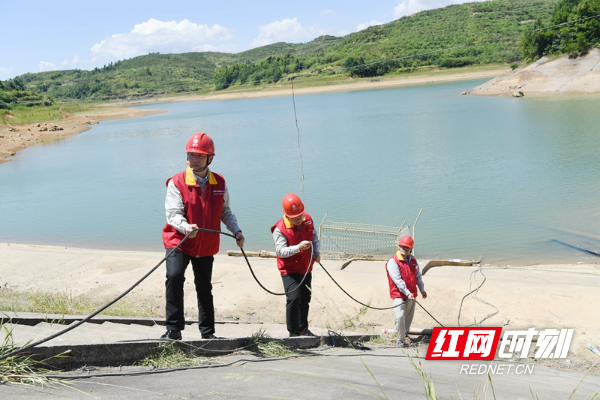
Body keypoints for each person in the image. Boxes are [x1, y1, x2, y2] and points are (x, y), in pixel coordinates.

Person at [161, 132, 245, 340]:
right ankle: (173, 330)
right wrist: (186, 227)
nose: (194, 159)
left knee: (204, 287)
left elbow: (225, 212)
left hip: (205, 244)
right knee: (174, 277)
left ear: (210, 158)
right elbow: (173, 215)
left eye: (199, 156)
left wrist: (237, 231)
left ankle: (208, 333)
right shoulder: (176, 182)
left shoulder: (220, 182)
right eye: (191, 155)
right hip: (179, 241)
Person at [271, 193, 320, 337]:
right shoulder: (279, 229)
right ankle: (293, 332)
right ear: (287, 216)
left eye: (300, 216)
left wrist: (316, 252)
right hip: (289, 270)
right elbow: (280, 252)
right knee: (293, 298)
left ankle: (303, 329)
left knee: (305, 298)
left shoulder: (308, 219)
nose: (299, 220)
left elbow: (314, 237)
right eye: (295, 218)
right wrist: (298, 247)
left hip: (306, 267)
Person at [385, 235, 427, 348]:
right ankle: (401, 340)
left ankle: (405, 335)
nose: (404, 249)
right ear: (399, 246)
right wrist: (407, 293)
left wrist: (422, 289)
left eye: (407, 247)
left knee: (408, 317)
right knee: (399, 316)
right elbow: (397, 280)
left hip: (412, 294)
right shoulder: (393, 262)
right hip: (399, 294)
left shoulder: (413, 260)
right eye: (402, 247)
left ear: (411, 249)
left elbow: (418, 276)